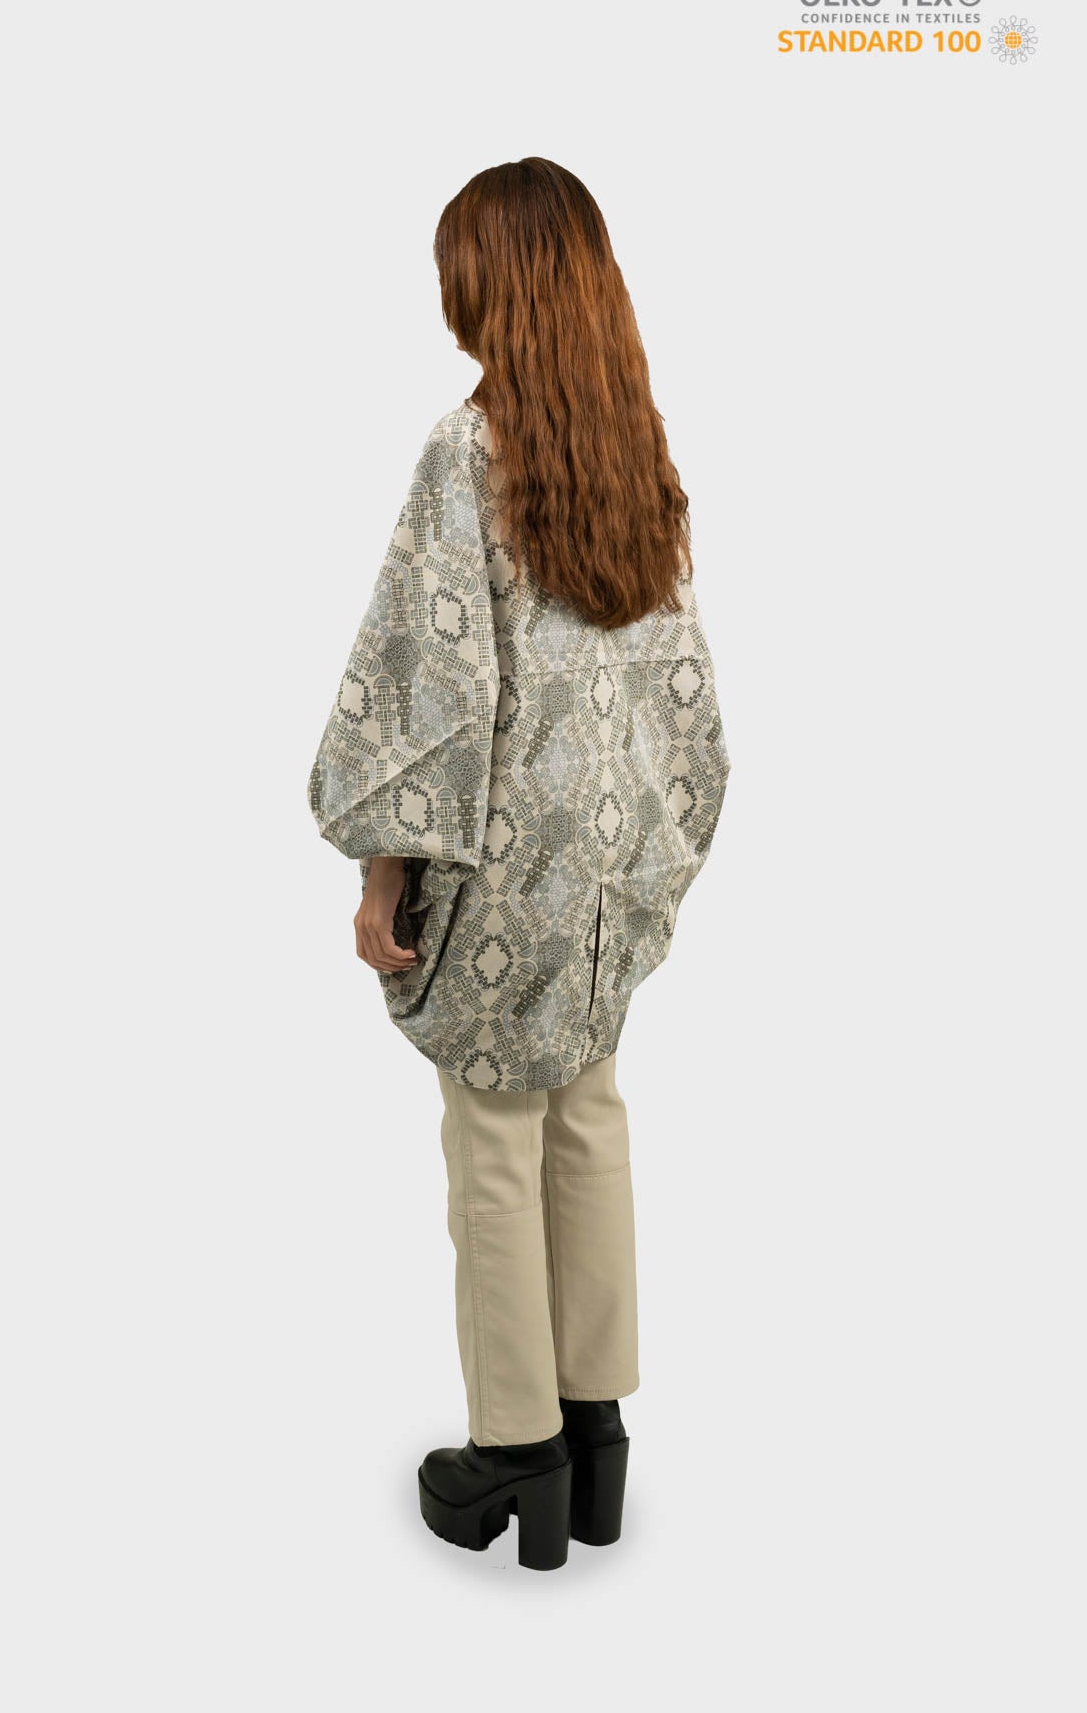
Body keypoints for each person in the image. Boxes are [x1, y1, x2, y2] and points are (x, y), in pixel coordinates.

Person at [307, 158, 730, 1569]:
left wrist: (383, 873)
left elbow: (430, 691)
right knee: (589, 1119)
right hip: (608, 872)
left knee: (496, 1141)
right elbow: (681, 687)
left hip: (501, 866)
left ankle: (517, 1450)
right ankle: (596, 1434)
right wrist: (651, 852)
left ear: (486, 286)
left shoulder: (469, 450)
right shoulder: (635, 451)